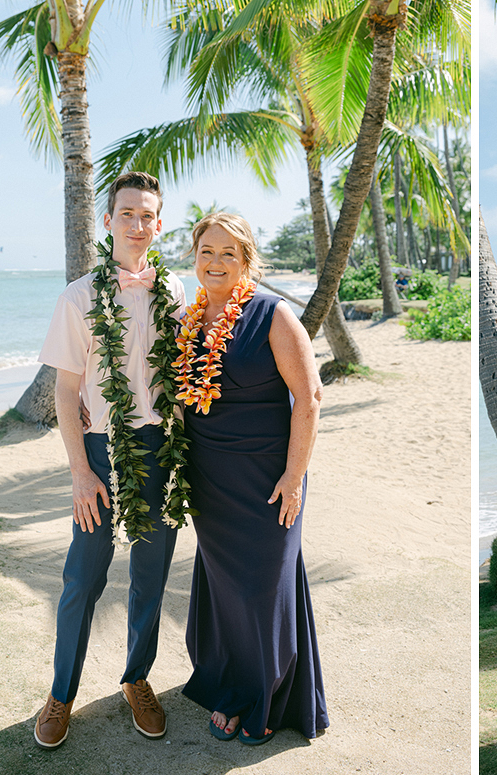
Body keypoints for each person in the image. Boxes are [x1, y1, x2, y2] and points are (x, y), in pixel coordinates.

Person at [34, 171, 186, 748]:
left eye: (148, 215)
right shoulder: (78, 296)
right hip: (99, 449)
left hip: (158, 448)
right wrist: (80, 470)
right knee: (83, 575)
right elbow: (66, 391)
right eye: (128, 214)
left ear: (158, 223)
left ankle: (136, 678)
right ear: (107, 221)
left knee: (151, 573)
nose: (138, 225)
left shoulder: (174, 294)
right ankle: (61, 694)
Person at [177, 212, 329, 744]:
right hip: (209, 479)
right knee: (227, 589)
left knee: (265, 587)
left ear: (246, 261)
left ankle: (265, 697)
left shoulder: (273, 314)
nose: (215, 262)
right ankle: (233, 683)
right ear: (194, 256)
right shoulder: (188, 321)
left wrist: (294, 476)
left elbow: (309, 398)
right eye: (206, 251)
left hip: (269, 478)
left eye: (228, 254)